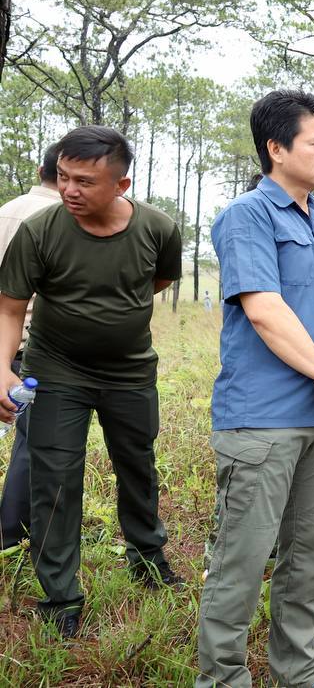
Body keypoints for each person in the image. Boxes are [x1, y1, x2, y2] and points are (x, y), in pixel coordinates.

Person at [196, 91, 314, 688]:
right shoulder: (248, 216)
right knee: (241, 560)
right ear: (276, 148)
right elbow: (265, 311)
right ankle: (222, 678)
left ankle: (300, 671)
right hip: (262, 421)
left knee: (310, 553)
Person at [0, 127, 184, 639]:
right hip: (56, 371)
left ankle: (148, 560)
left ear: (121, 184)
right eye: (62, 177)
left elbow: (157, 280)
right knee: (53, 479)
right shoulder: (39, 230)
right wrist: (2, 369)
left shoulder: (158, 229)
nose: (69, 190)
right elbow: (10, 308)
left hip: (129, 372)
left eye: (84, 181)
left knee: (138, 467)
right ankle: (61, 595)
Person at [0, 145, 62, 550]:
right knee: (31, 445)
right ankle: (12, 537)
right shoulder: (63, 221)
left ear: (40, 170)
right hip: (31, 348)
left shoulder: (6, 209)